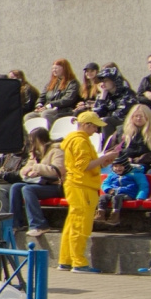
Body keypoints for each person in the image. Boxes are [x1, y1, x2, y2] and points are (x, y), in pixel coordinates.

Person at [58, 111, 116, 272]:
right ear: (86, 125)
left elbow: (86, 164)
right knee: (81, 225)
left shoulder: (74, 139)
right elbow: (84, 166)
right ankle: (78, 262)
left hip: (76, 184)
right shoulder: (80, 141)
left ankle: (66, 260)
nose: (96, 130)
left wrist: (102, 160)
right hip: (82, 186)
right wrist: (105, 157)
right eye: (95, 127)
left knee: (72, 223)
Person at [9, 128, 64, 239]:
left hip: (57, 185)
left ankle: (39, 225)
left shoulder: (57, 150)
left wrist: (36, 168)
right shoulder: (35, 153)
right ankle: (15, 224)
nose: (30, 143)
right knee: (16, 187)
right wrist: (25, 172)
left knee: (27, 189)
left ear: (37, 139)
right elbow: (26, 168)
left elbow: (58, 170)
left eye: (32, 140)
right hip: (40, 183)